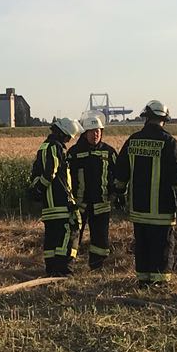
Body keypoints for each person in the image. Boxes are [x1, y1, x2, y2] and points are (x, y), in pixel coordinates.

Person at [113, 100, 177, 285]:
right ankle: (159, 284)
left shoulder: (133, 141)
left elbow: (121, 172)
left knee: (142, 246)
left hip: (138, 209)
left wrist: (120, 194)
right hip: (162, 209)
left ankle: (143, 281)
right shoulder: (170, 143)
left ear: (146, 117)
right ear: (164, 119)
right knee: (162, 247)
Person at [30, 116, 81, 277]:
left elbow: (36, 174)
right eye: (67, 138)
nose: (68, 141)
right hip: (59, 203)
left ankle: (52, 269)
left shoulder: (44, 147)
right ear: (61, 134)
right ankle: (63, 269)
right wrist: (40, 189)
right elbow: (50, 173)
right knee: (70, 232)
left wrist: (38, 191)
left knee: (52, 238)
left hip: (49, 206)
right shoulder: (54, 147)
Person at [68, 111, 118, 271]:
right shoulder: (74, 153)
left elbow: (118, 175)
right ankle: (68, 265)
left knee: (100, 238)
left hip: (101, 203)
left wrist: (118, 194)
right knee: (74, 235)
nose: (95, 134)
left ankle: (97, 266)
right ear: (85, 133)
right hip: (79, 204)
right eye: (92, 131)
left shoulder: (109, 152)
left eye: (98, 131)